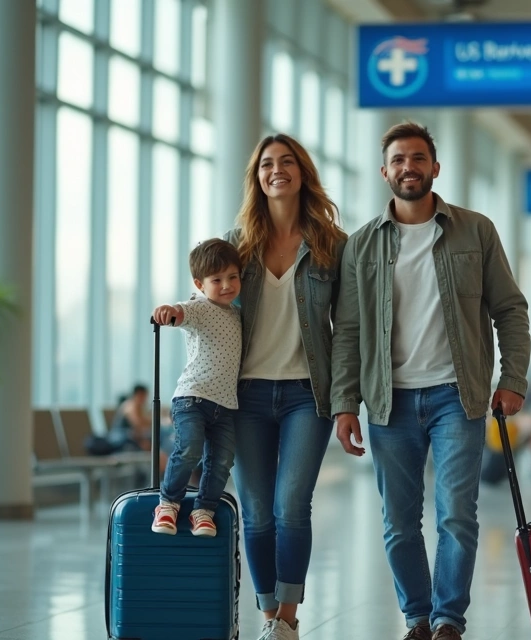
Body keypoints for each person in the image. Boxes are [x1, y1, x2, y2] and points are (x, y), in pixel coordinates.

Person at [330, 122, 530, 640]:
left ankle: (448, 621)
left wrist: (512, 378)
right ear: (384, 172)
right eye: (398, 160)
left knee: (456, 516)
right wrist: (344, 403)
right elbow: (348, 330)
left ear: (435, 168)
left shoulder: (476, 230)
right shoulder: (361, 245)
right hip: (387, 401)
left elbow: (510, 309)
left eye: (418, 158)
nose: (408, 167)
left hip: (455, 396)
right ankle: (417, 617)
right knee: (398, 522)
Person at [225, 134, 348, 640]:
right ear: (257, 177)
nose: (277, 170)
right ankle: (268, 613)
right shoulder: (236, 244)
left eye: (287, 162)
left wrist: (346, 401)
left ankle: (289, 620)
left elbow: (351, 327)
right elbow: (211, 310)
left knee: (291, 505)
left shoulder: (331, 244)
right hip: (245, 395)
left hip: (306, 394)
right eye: (267, 164)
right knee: (255, 512)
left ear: (302, 172)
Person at [148, 239, 242, 540]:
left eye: (233, 277)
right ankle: (168, 504)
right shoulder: (199, 306)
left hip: (226, 404)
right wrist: (168, 311)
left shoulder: (238, 315)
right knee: (188, 449)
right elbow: (180, 312)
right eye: (217, 280)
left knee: (222, 462)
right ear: (200, 284)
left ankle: (204, 510)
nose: (226, 286)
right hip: (193, 398)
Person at [110, 384, 150, 451]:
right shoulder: (130, 406)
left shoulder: (139, 407)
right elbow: (138, 424)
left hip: (129, 438)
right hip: (120, 439)